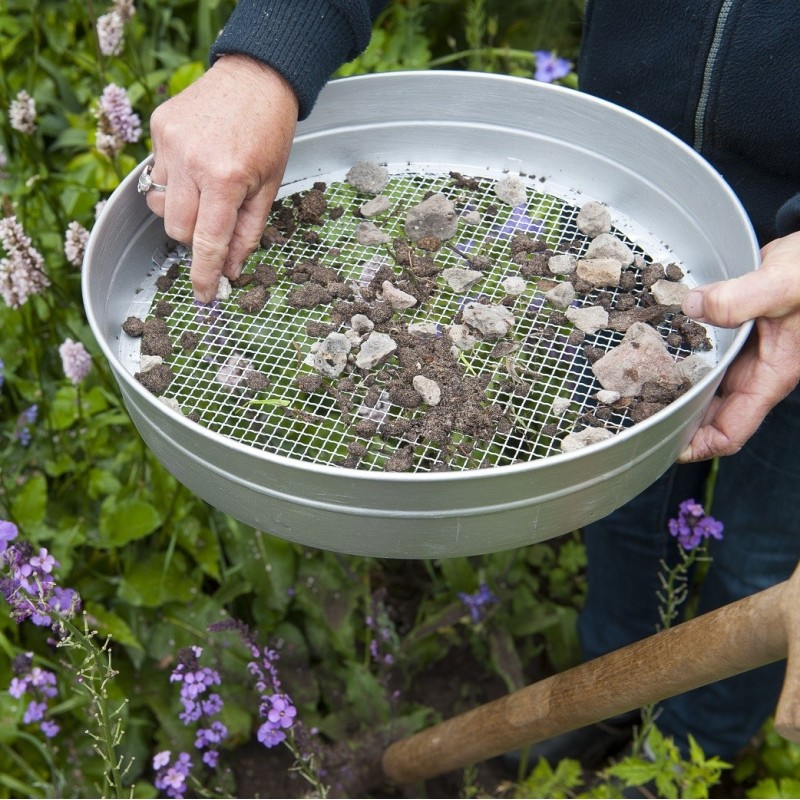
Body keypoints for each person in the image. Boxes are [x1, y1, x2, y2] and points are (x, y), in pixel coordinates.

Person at [142, 0, 800, 768]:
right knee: (620, 502)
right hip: (626, 192)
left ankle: (690, 753)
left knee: (761, 559)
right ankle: (607, 692)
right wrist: (269, 52)